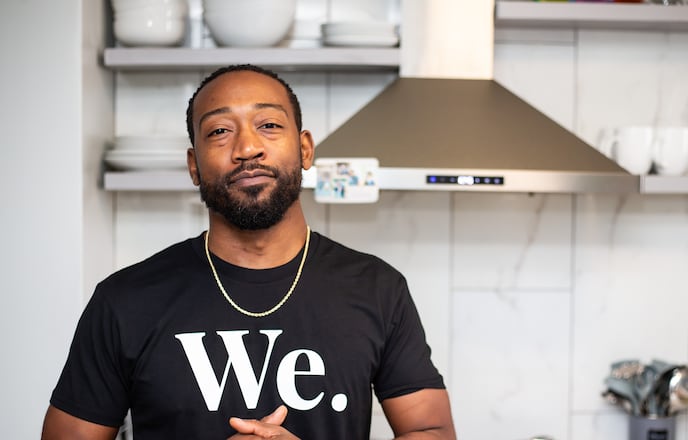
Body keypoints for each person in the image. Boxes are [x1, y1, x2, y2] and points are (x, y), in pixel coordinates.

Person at [42, 64, 456, 440]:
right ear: (193, 165)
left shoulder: (377, 289)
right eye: (220, 131)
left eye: (270, 124)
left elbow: (431, 429)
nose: (247, 148)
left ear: (306, 149)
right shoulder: (124, 301)